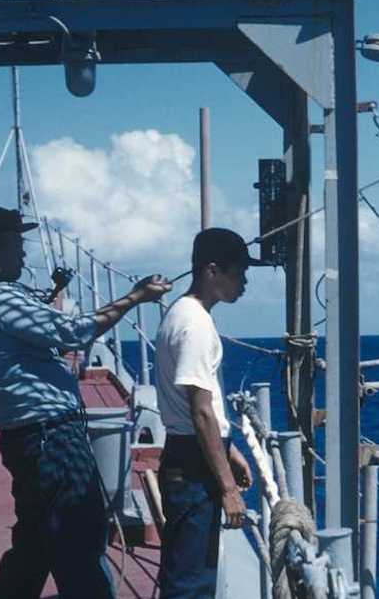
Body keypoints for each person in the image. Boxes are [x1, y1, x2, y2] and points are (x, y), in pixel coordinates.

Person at [0, 206, 171, 599]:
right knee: (80, 541)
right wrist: (135, 297)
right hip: (50, 439)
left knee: (35, 547)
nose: (23, 254)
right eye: (15, 245)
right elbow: (73, 331)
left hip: (32, 439)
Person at [154, 228, 261, 598]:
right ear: (212, 271)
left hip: (189, 454)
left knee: (186, 572)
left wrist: (229, 450)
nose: (244, 282)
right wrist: (228, 489)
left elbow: (198, 409)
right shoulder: (195, 325)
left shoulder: (182, 314)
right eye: (239, 272)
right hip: (193, 465)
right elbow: (200, 413)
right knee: (191, 583)